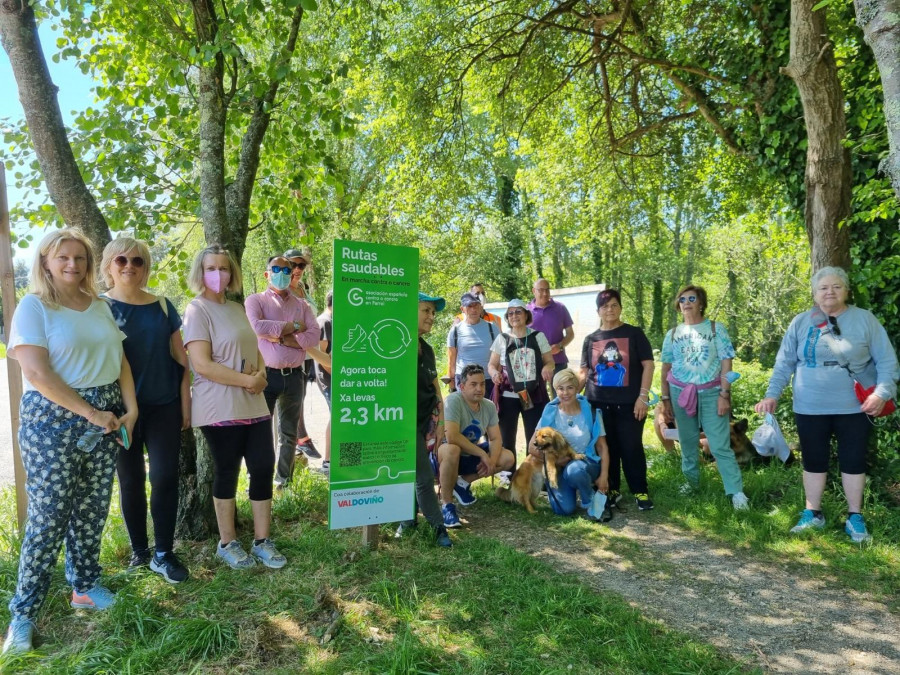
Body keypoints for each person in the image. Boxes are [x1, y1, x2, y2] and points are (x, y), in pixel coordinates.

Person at [3, 229, 138, 654]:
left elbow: (121, 362)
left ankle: (84, 585)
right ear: (45, 261)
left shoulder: (99, 305)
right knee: (49, 516)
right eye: (63, 257)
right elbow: (38, 374)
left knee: (93, 506)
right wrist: (92, 413)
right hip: (54, 420)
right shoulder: (33, 306)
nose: (72, 265)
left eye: (80, 257)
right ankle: (23, 615)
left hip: (107, 419)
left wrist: (129, 409)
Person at [755, 266, 898, 542]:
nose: (829, 292)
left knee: (853, 459)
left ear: (846, 290)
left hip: (856, 407)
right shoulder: (800, 322)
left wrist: (881, 393)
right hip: (809, 405)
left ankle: (855, 517)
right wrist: (772, 394)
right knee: (813, 460)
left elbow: (887, 361)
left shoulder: (864, 320)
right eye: (823, 287)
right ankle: (813, 513)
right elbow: (784, 363)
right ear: (814, 292)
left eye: (836, 286)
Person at [182, 244, 286, 570]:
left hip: (253, 402)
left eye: (224, 268)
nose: (218, 274)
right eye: (211, 268)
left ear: (232, 273)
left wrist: (261, 375)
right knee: (227, 471)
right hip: (220, 408)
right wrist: (247, 382)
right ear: (200, 273)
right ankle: (227, 543)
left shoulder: (238, 308)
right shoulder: (196, 310)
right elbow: (202, 365)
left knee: (263, 465)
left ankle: (262, 540)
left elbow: (255, 351)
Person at [101, 237, 191, 584]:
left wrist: (186, 405)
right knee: (131, 481)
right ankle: (140, 551)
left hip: (164, 407)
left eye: (137, 261)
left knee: (165, 476)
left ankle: (164, 553)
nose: (129, 266)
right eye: (121, 259)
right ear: (109, 265)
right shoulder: (98, 307)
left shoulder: (163, 306)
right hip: (120, 413)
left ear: (146, 267)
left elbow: (182, 361)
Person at [660, 285, 749, 510]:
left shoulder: (715, 328)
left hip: (712, 393)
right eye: (682, 299)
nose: (687, 302)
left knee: (720, 445)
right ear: (678, 304)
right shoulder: (672, 334)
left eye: (692, 298)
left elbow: (727, 362)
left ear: (701, 303)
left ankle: (736, 492)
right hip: (680, 393)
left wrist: (724, 393)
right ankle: (691, 483)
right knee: (688, 442)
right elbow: (666, 368)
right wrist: (665, 399)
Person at [245, 255, 321, 489]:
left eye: (287, 270)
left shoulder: (302, 305)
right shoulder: (255, 301)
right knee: (259, 432)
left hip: (294, 377)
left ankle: (283, 482)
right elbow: (257, 327)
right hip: (265, 376)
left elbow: (313, 337)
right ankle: (257, 481)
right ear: (267, 273)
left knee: (288, 434)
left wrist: (278, 336)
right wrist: (295, 328)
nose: (282, 274)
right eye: (276, 269)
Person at [580, 289, 655, 511]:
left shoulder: (634, 333)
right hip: (598, 404)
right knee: (607, 447)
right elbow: (584, 371)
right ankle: (611, 490)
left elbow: (648, 365)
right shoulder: (591, 339)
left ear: (620, 307)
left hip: (631, 403)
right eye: (605, 306)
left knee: (631, 446)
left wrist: (643, 396)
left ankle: (640, 491)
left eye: (614, 305)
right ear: (598, 311)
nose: (610, 309)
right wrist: (570, 393)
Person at [395, 292, 455, 547]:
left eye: (433, 312)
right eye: (426, 311)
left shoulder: (427, 349)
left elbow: (435, 387)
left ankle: (407, 522)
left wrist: (440, 422)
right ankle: (438, 526)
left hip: (423, 421)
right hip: (399, 422)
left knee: (414, 471)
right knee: (421, 474)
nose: (431, 317)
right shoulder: (396, 343)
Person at [436, 364, 516, 527]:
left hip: (469, 456)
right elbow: (451, 436)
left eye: (482, 384)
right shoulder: (453, 400)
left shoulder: (488, 405)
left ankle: (462, 483)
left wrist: (492, 461)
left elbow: (495, 439)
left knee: (507, 457)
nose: (479, 388)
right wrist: (482, 454)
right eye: (473, 384)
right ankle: (447, 505)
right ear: (462, 386)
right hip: (444, 455)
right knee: (453, 448)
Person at [531, 368, 610, 517]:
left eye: (570, 388)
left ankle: (589, 499)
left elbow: (602, 447)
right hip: (559, 466)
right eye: (560, 388)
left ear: (577, 388)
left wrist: (604, 476)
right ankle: (563, 489)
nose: (565, 393)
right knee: (563, 510)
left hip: (585, 463)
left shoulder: (591, 412)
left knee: (574, 470)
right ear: (555, 390)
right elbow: (532, 447)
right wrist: (555, 460)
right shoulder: (549, 413)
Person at [488, 298, 554, 456]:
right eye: (510, 313)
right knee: (506, 438)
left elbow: (550, 362)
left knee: (535, 437)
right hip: (508, 396)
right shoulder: (502, 339)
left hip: (533, 394)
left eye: (518, 312)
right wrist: (494, 373)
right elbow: (491, 365)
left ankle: (532, 477)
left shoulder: (538, 337)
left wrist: (547, 368)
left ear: (526, 315)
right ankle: (509, 477)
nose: (514, 316)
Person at [284, 247, 320, 460]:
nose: (297, 269)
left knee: (302, 396)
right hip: (292, 351)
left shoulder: (303, 289)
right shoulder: (282, 291)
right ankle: (301, 439)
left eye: (301, 265)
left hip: (309, 352)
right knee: (293, 399)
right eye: (292, 265)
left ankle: (299, 441)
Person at [447, 292, 498, 398]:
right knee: (464, 413)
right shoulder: (455, 331)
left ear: (481, 307)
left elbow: (500, 357)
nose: (473, 310)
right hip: (464, 381)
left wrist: (497, 380)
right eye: (469, 306)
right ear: (463, 309)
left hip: (487, 381)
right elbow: (451, 361)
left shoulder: (492, 328)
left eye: (476, 305)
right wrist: (451, 384)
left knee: (486, 413)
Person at [527, 278, 575, 375]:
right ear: (533, 291)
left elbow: (570, 334)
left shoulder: (560, 308)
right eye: (541, 290)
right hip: (534, 363)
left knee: (560, 390)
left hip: (558, 361)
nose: (545, 293)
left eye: (547, 290)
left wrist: (560, 346)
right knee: (537, 391)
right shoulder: (526, 311)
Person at [316, 290, 333, 471]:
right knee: (337, 417)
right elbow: (321, 355)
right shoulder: (324, 322)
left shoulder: (331, 321)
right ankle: (327, 461)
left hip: (336, 378)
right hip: (329, 379)